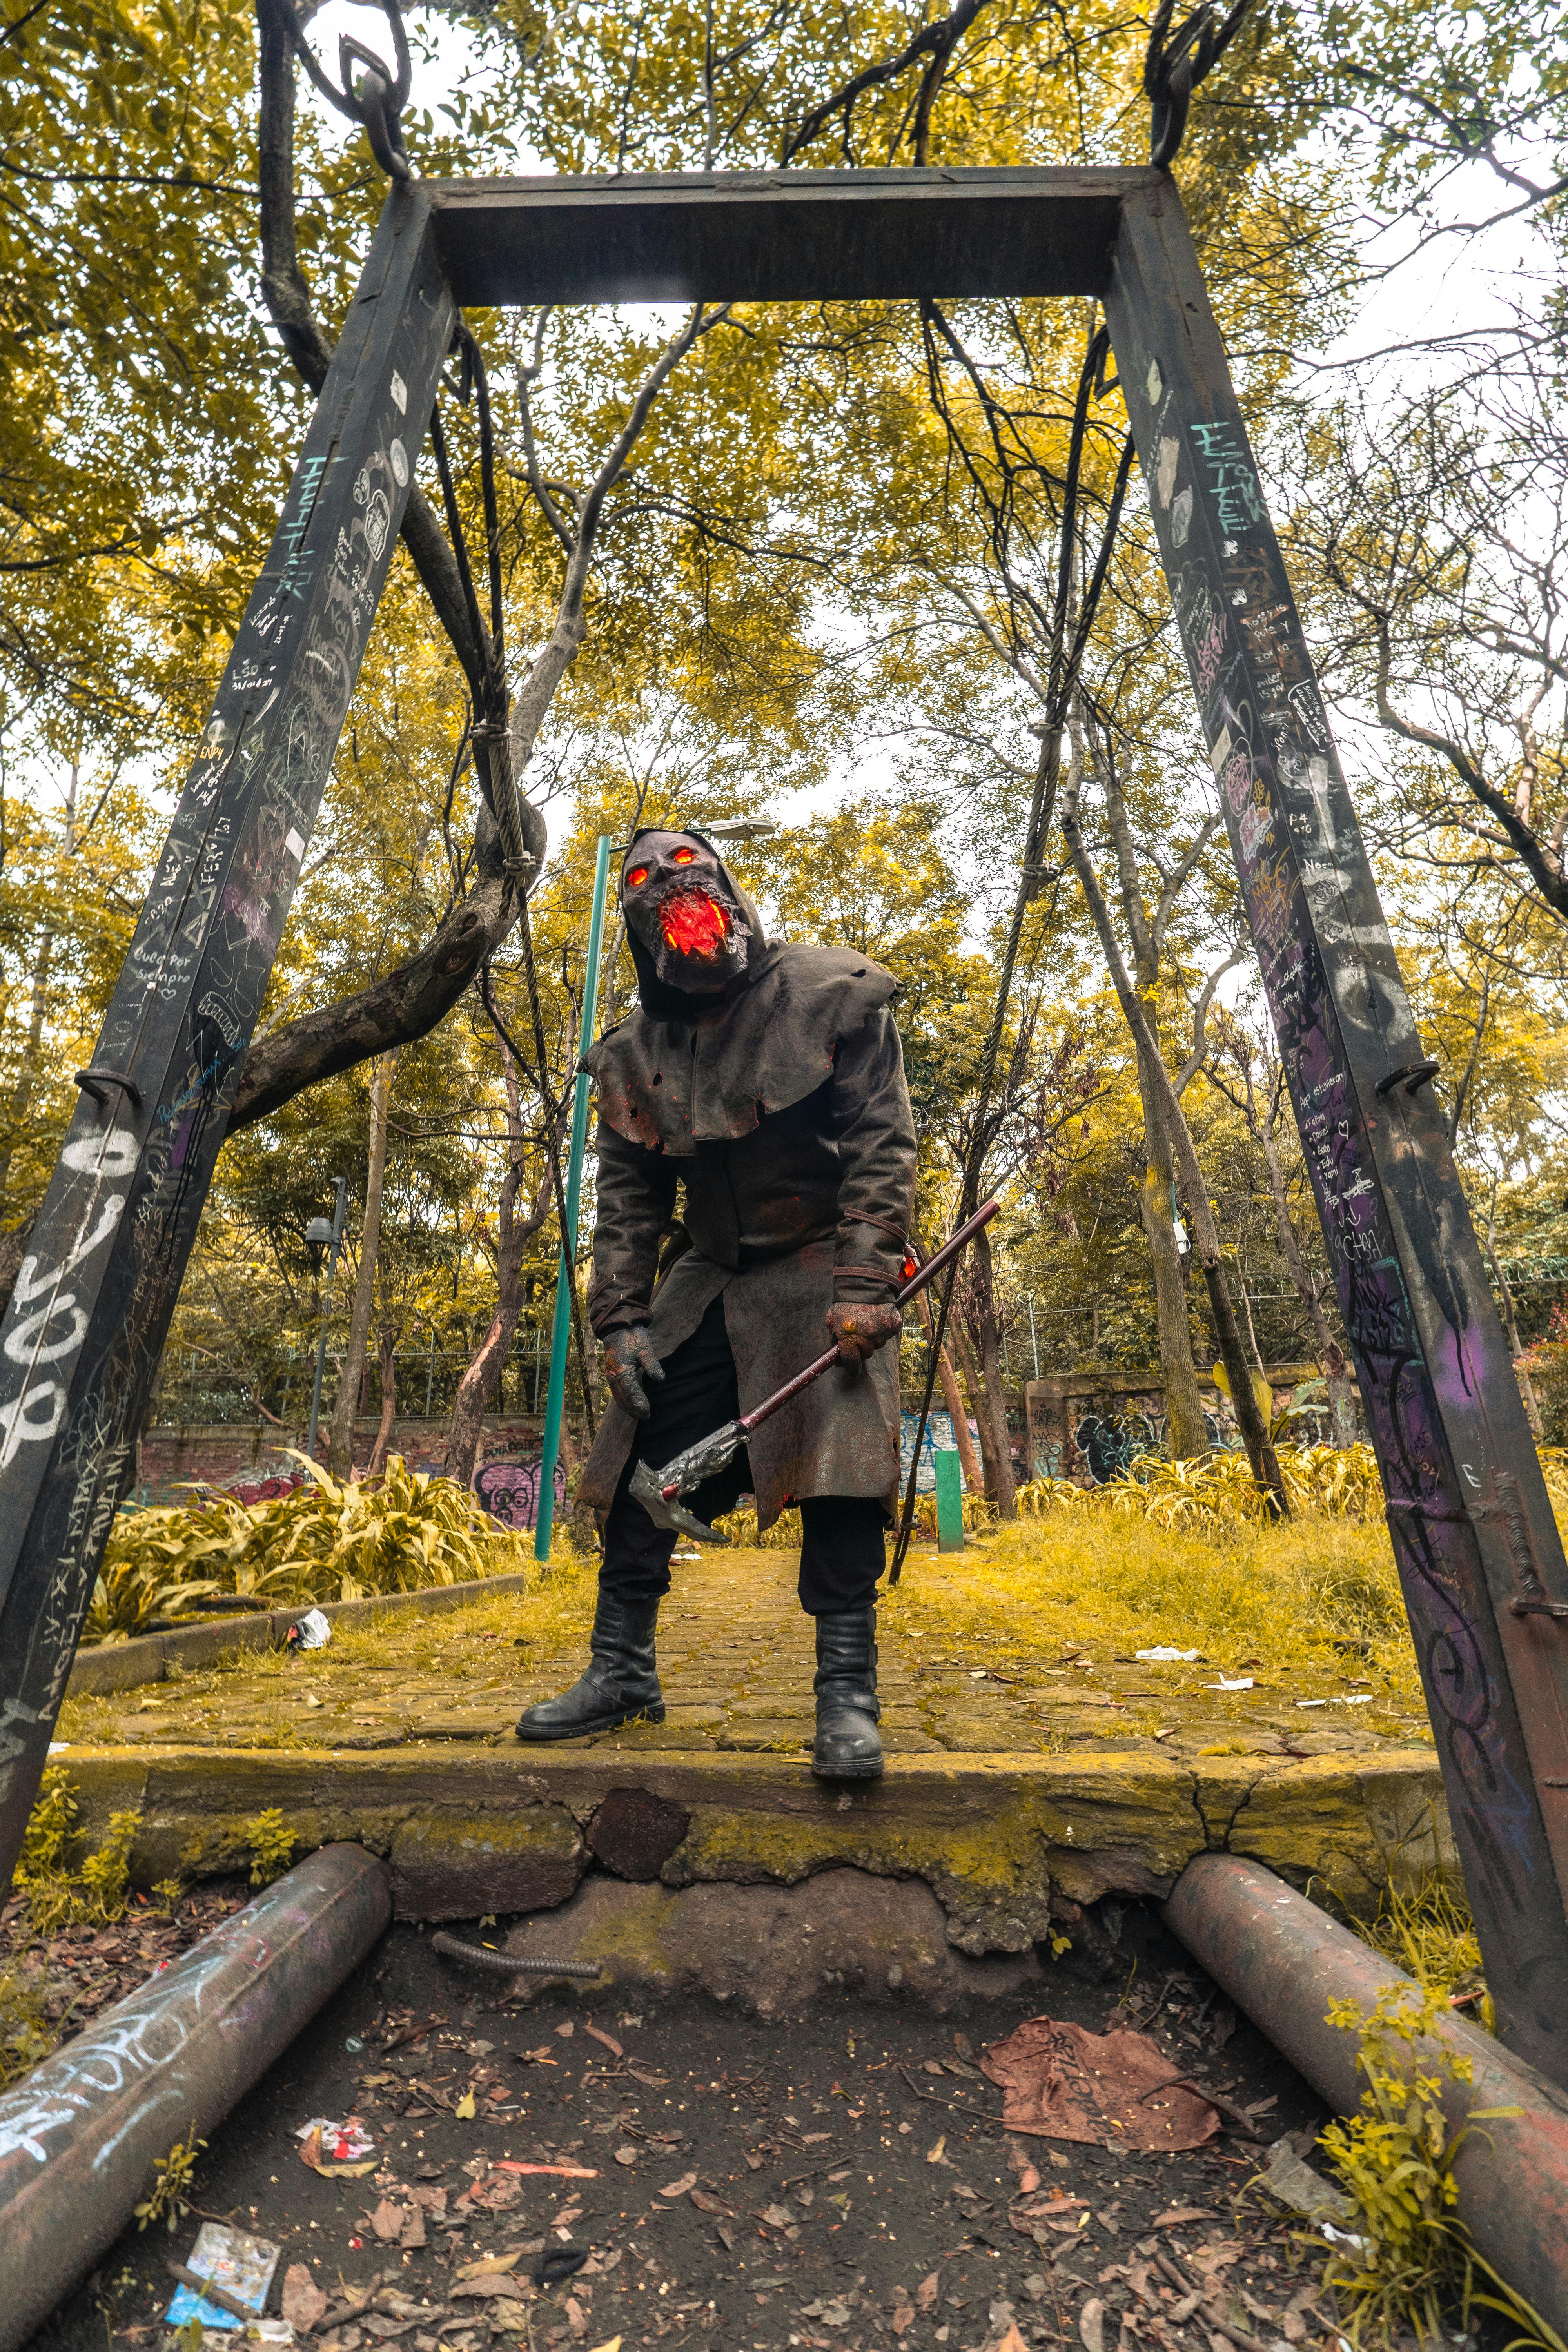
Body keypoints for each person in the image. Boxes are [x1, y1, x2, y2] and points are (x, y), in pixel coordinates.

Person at [515, 827, 916, 1778]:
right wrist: (620, 1318)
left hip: (824, 1260)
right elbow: (627, 1202)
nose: (674, 884)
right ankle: (621, 1672)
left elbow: (881, 1149)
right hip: (712, 1267)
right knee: (637, 1443)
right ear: (639, 933)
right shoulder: (632, 1053)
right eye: (648, 878)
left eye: (691, 866)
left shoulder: (833, 993)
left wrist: (864, 1284)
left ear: (731, 892)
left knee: (840, 1453)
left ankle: (845, 1695)